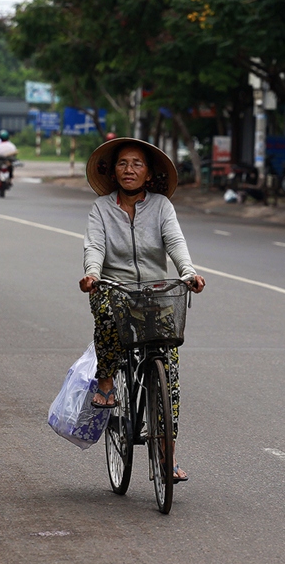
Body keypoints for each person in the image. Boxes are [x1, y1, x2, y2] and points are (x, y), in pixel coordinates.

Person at [79, 137, 206, 483]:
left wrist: (188, 272)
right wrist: (92, 274)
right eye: (122, 163)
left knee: (171, 375)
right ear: (113, 171)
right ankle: (106, 380)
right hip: (113, 288)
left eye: (137, 164)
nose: (129, 169)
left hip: (154, 293)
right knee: (105, 313)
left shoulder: (162, 206)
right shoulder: (101, 209)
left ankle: (167, 455)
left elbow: (175, 242)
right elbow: (95, 246)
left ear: (148, 173)